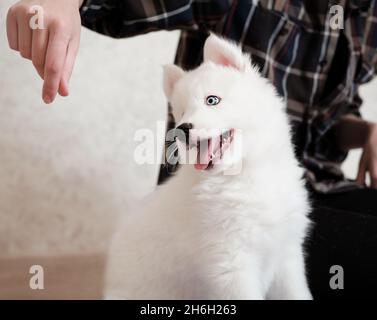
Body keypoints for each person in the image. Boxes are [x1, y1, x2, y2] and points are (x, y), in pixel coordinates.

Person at [6, 0, 377, 299]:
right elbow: (120, 7)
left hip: (320, 182)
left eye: (212, 100)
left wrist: (367, 132)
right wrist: (61, 2)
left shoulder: (365, 16)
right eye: (183, 112)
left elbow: (330, 117)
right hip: (206, 200)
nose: (187, 121)